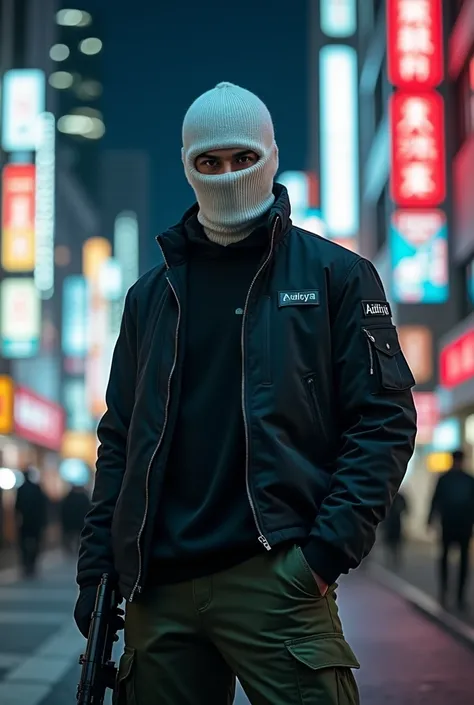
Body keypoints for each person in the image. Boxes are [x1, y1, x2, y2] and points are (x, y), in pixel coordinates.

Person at [74, 82, 417, 704]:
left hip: (278, 577)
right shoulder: (149, 297)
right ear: (188, 166)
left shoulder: (335, 276)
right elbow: (120, 439)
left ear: (270, 157)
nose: (227, 175)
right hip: (160, 585)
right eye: (209, 162)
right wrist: (98, 568)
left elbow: (384, 420)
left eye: (242, 158)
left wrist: (321, 556)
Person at [428, 449, 474, 610]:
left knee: (461, 562)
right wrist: (430, 518)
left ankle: (458, 595)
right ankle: (445, 592)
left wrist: (430, 518)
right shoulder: (453, 479)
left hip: (461, 525)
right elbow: (435, 499)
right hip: (451, 524)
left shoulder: (462, 479)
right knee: (447, 559)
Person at [15, 466, 48, 577]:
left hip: (24, 521)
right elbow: (42, 506)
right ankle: (32, 564)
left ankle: (26, 563)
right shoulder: (36, 488)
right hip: (36, 522)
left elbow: (17, 507)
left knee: (23, 543)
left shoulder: (21, 489)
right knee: (36, 543)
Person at [380, 491, 409, 569]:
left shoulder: (399, 497)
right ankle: (392, 559)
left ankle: (395, 559)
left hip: (395, 522)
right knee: (390, 542)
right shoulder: (388, 496)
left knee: (395, 542)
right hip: (389, 522)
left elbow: (406, 508)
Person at [60, 485, 91, 555]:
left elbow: (64, 511)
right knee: (78, 537)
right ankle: (76, 549)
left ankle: (70, 550)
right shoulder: (84, 498)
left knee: (71, 537)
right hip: (80, 523)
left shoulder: (68, 498)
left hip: (70, 523)